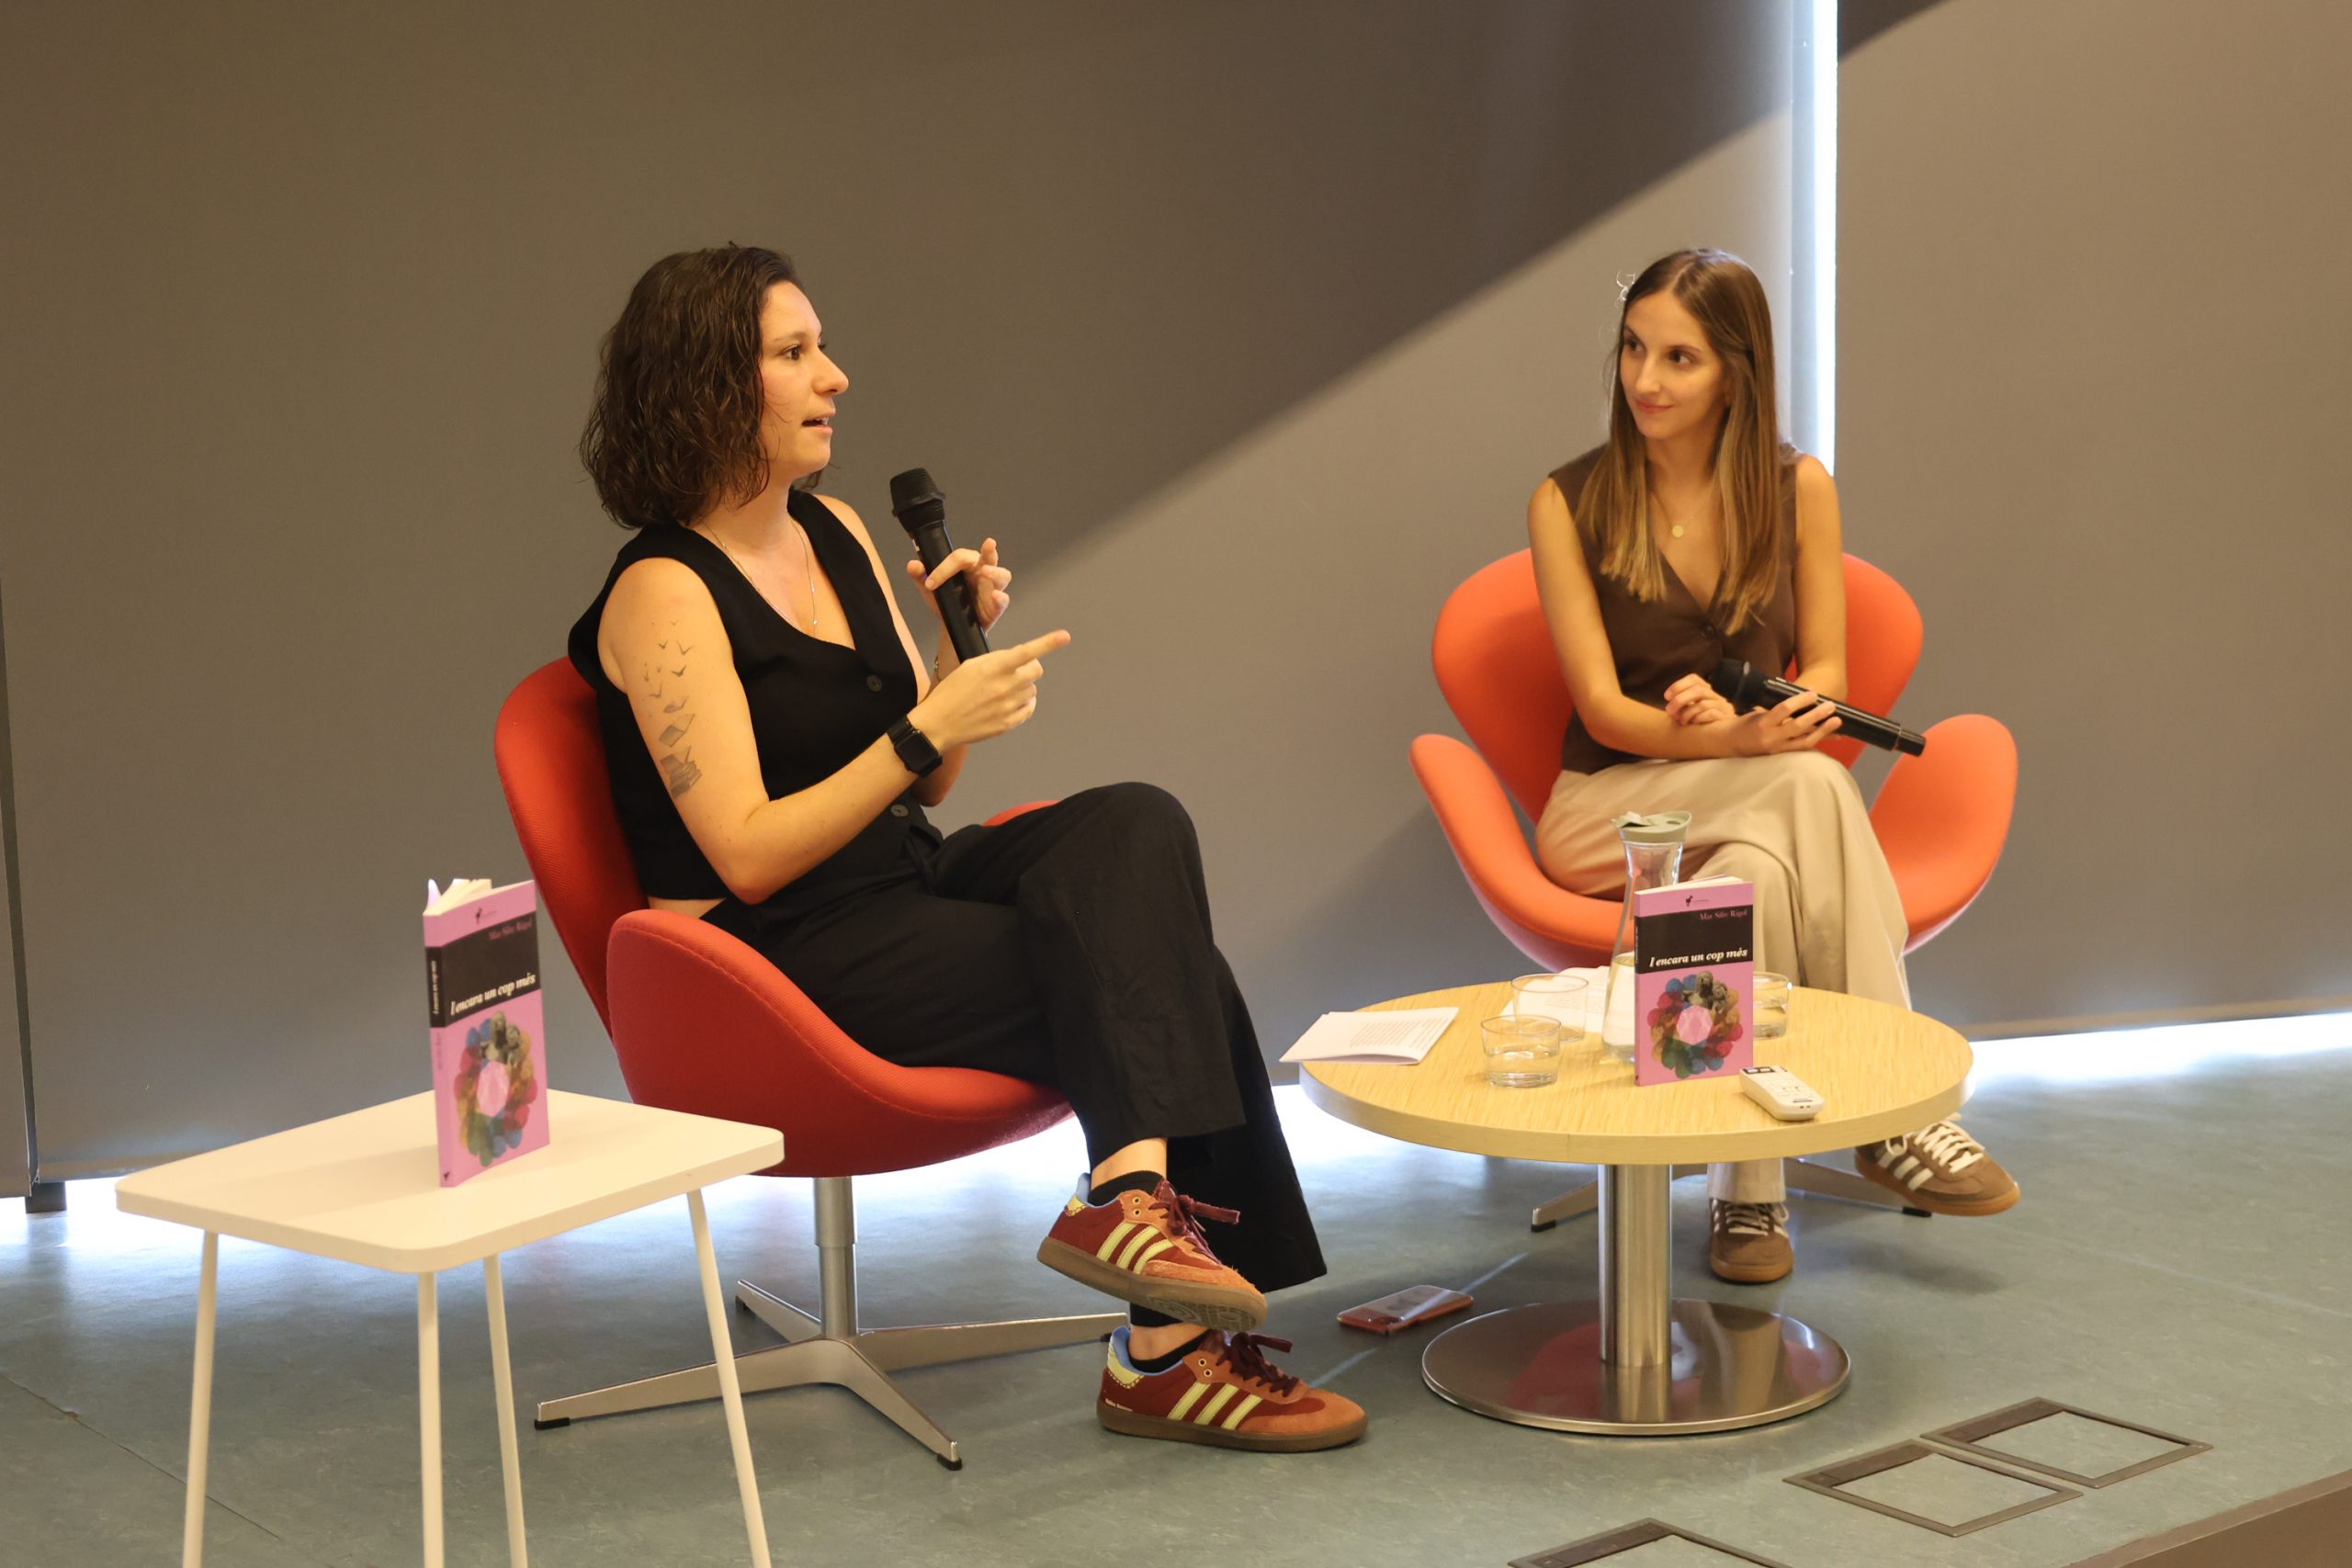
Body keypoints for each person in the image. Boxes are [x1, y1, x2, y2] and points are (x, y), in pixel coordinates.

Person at [563, 245, 1363, 1453]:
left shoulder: (833, 531)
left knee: (1135, 821)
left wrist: (953, 661)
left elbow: (927, 781)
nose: (835, 375)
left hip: (900, 874)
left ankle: (1129, 1207)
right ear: (708, 386)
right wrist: (925, 725)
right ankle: (1163, 1350)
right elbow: (748, 855)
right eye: (794, 353)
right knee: (1166, 970)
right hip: (777, 948)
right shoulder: (663, 593)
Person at [1527, 248, 2018, 1285]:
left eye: (1679, 358)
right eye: (1633, 349)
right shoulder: (1567, 501)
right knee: (1814, 783)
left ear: (1735, 372)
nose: (1645, 379)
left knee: (1750, 872)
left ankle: (1749, 1193)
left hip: (1742, 801)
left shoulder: (1799, 489)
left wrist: (1754, 716)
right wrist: (1725, 740)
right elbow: (1604, 709)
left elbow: (1827, 671)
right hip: (1605, 811)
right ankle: (1897, 1104)